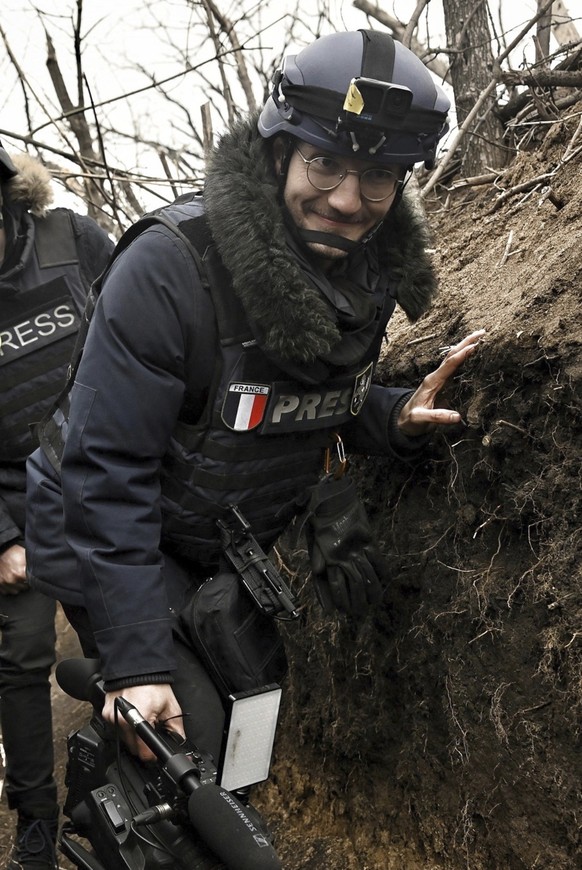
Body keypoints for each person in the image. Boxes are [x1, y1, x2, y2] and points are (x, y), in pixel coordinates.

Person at [25, 27, 483, 824]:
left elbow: (288, 404)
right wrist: (135, 663)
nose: (347, 198)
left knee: (252, 716)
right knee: (180, 745)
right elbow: (103, 474)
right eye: (327, 164)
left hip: (211, 526)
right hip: (103, 520)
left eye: (378, 175)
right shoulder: (171, 267)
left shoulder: (366, 271)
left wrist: (390, 414)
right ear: (279, 154)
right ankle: (108, 812)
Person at [0, 140, 114, 869]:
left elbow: (143, 342)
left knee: (127, 647)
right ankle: (36, 820)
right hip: (16, 508)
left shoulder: (73, 240)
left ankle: (119, 795)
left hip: (107, 488)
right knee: (19, 662)